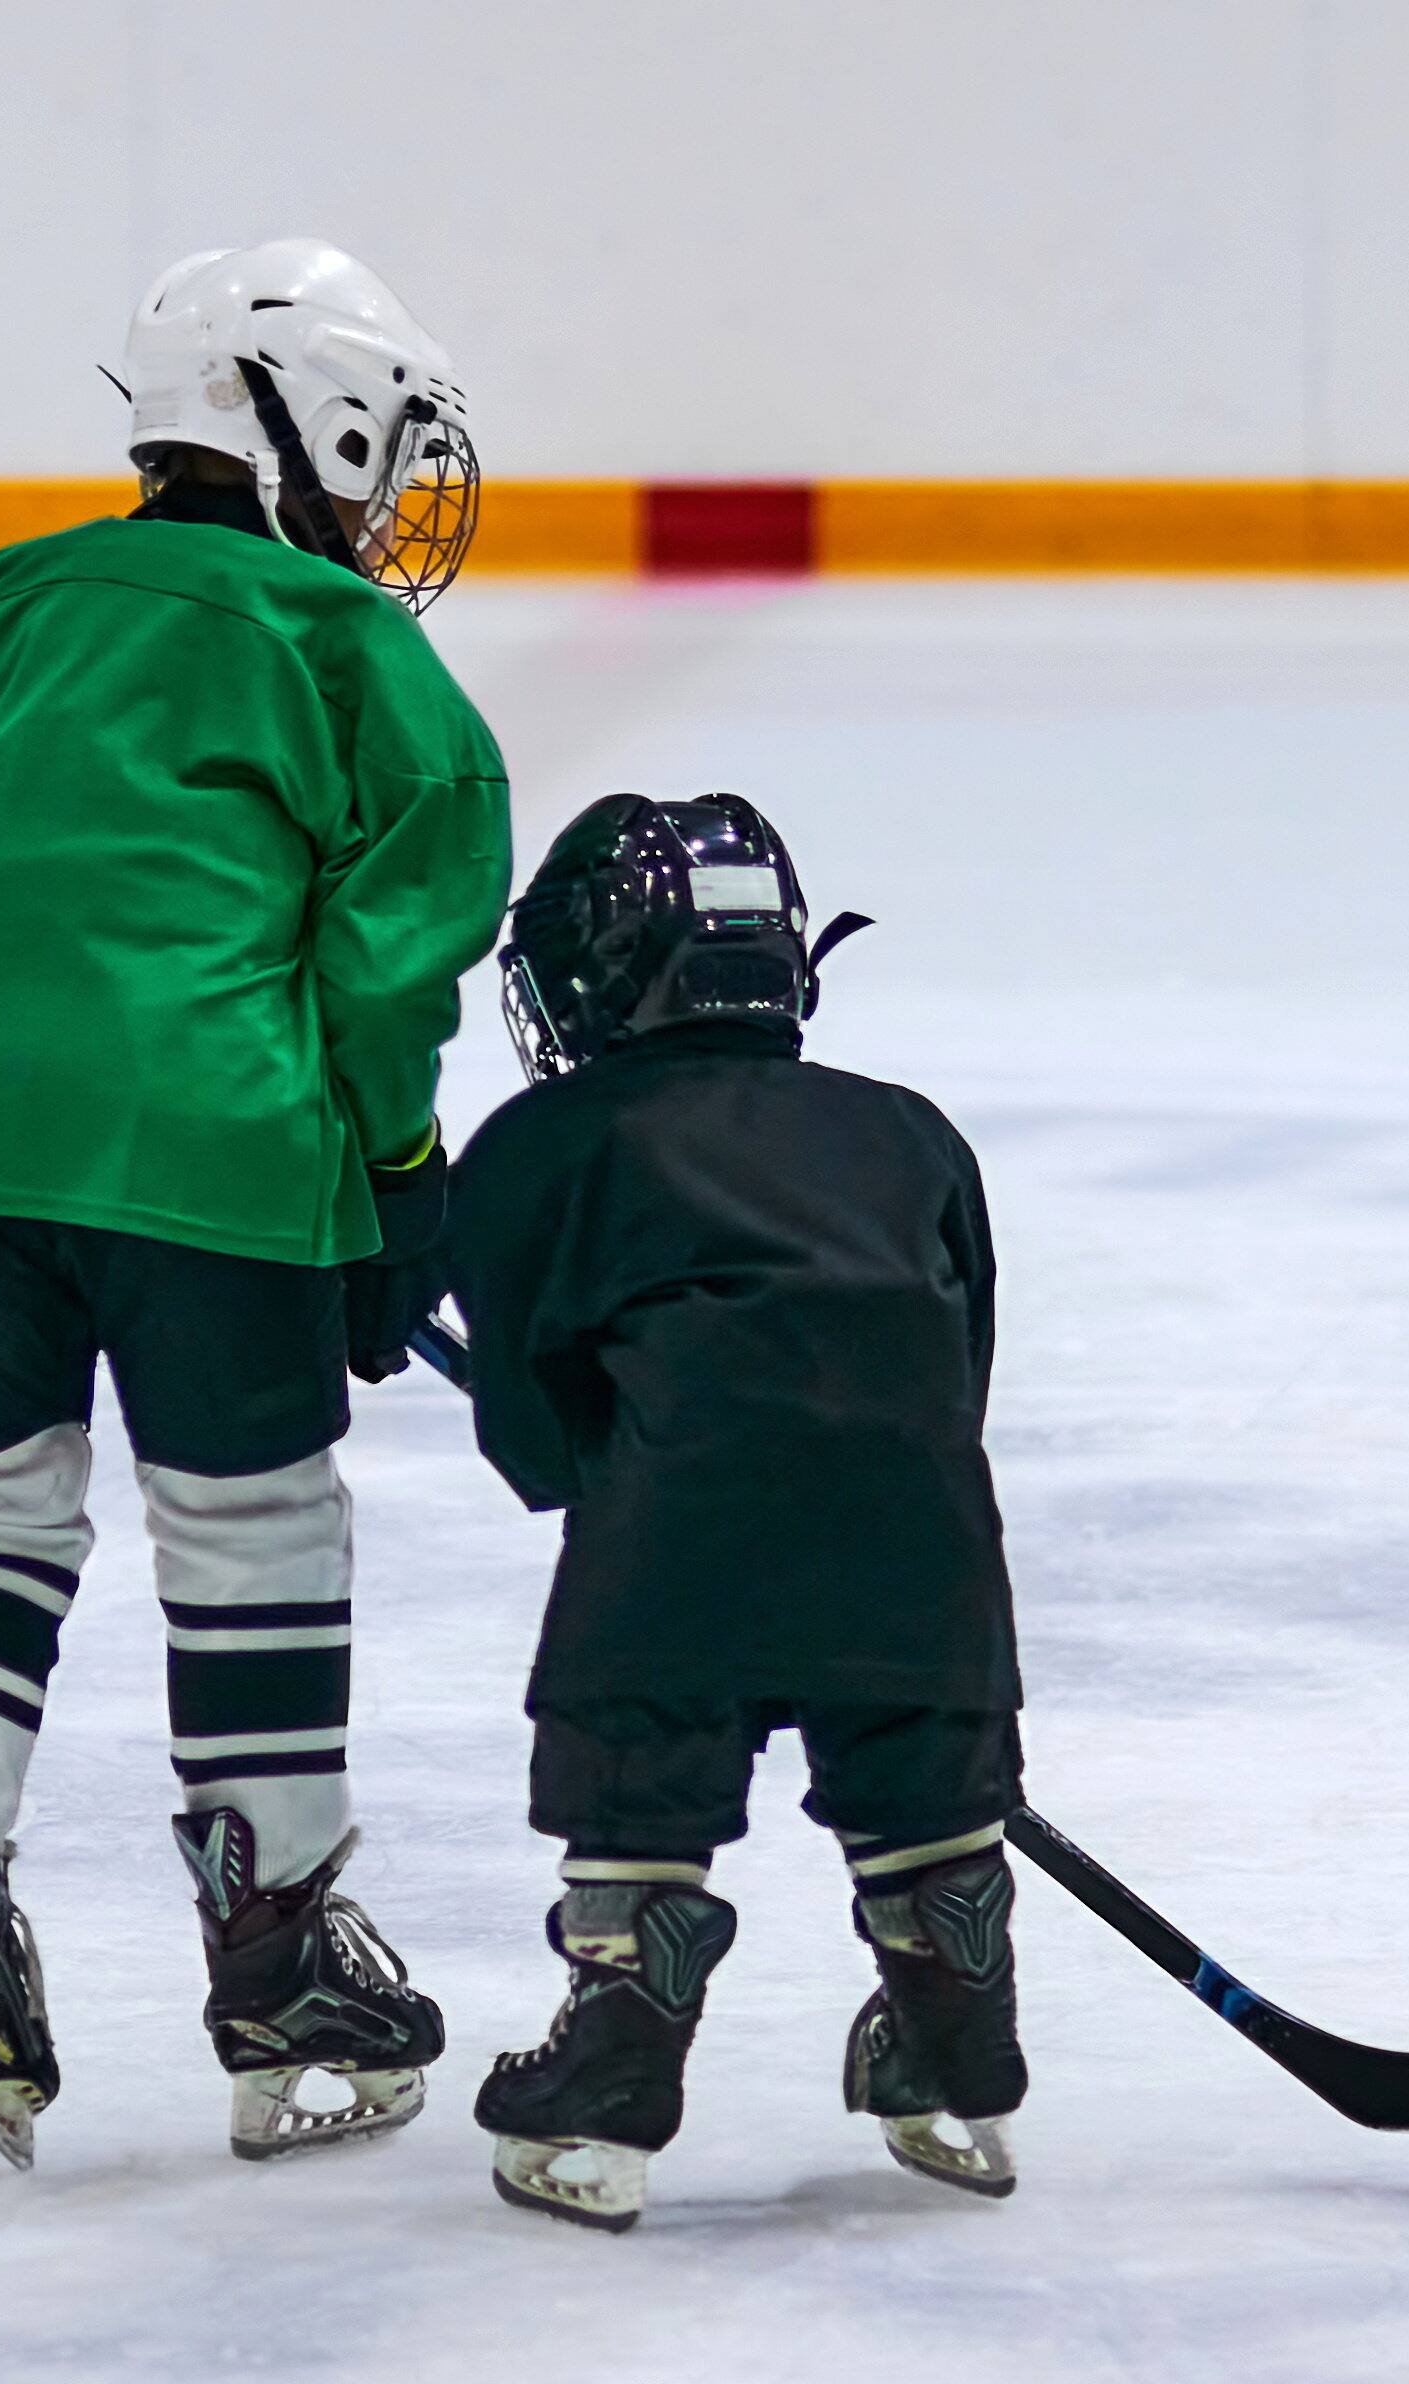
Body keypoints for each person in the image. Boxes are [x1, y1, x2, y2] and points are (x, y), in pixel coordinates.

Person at [0, 238, 510, 2170]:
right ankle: (278, 1960)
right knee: (250, 1520)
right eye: (388, 446)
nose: (396, 493)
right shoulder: (351, 649)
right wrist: (395, 1182)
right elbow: (385, 971)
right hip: (204, 1137)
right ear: (323, 425)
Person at [441, 793, 1030, 2232]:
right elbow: (953, 1374)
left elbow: (532, 1427)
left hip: (675, 1534)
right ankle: (955, 2041)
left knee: (639, 1764)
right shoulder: (911, 1133)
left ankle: (611, 2077)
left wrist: (629, 1487)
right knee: (926, 1793)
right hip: (926, 1547)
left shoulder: (540, 1142)